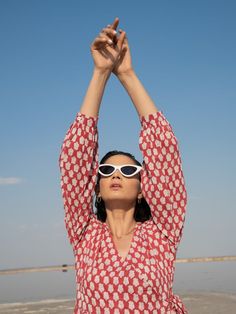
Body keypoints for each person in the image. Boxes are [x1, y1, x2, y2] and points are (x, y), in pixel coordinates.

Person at [59, 17, 187, 314]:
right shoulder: (85, 235)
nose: (116, 173)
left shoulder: (162, 234)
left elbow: (164, 149)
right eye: (105, 170)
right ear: (98, 189)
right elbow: (75, 156)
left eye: (129, 170)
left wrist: (127, 74)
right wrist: (100, 73)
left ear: (144, 189)